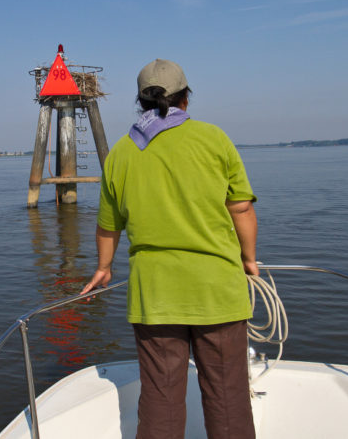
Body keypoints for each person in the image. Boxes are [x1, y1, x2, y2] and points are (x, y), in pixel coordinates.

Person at [80, 59, 259, 439]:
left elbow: (109, 224)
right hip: (218, 291)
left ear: (140, 102)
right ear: (186, 98)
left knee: (160, 399)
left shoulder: (122, 154)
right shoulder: (214, 139)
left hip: (154, 295)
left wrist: (104, 267)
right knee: (228, 398)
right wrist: (247, 259)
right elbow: (241, 207)